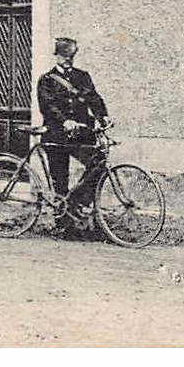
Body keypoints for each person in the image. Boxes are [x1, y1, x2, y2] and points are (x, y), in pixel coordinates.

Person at [35, 36, 110, 240]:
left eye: (71, 57)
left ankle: (77, 202)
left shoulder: (82, 77)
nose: (68, 60)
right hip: (57, 135)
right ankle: (64, 224)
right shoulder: (47, 80)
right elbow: (47, 105)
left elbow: (94, 98)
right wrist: (64, 120)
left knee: (98, 163)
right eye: (64, 56)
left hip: (81, 135)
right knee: (60, 180)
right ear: (57, 56)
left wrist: (103, 116)